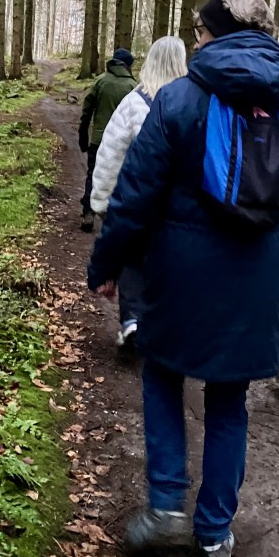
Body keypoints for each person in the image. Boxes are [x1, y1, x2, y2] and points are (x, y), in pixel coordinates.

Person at [87, 0, 279, 557]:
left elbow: (134, 196)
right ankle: (216, 532)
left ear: (217, 33)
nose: (196, 39)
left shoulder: (176, 102)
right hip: (259, 277)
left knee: (162, 379)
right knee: (229, 402)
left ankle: (167, 507)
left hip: (179, 272)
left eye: (200, 30)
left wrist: (108, 264)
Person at [90, 36, 189, 350]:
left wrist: (102, 200)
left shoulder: (134, 102)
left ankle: (132, 320)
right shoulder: (194, 101)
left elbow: (110, 154)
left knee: (133, 260)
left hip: (137, 201)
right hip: (179, 208)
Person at [79, 48, 136, 232]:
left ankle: (88, 213)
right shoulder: (132, 87)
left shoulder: (101, 81)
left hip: (98, 140)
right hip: (121, 143)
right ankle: (115, 219)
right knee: (119, 179)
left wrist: (82, 134)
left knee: (93, 175)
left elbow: (86, 110)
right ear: (128, 66)